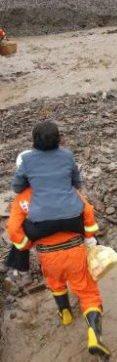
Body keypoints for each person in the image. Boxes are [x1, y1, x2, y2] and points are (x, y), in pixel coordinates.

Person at [7, 186, 110, 358]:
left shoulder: (22, 200)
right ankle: (94, 334)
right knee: (87, 292)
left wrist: (26, 245)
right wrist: (90, 234)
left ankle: (65, 314)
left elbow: (13, 229)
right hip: (75, 249)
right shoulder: (64, 187)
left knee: (55, 282)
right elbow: (87, 209)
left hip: (48, 255)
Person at [6, 121, 88, 282]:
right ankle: (96, 248)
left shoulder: (27, 160)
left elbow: (16, 187)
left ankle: (20, 268)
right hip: (74, 220)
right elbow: (77, 183)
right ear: (58, 139)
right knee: (87, 217)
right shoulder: (67, 155)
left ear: (34, 140)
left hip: (42, 226)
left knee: (19, 228)